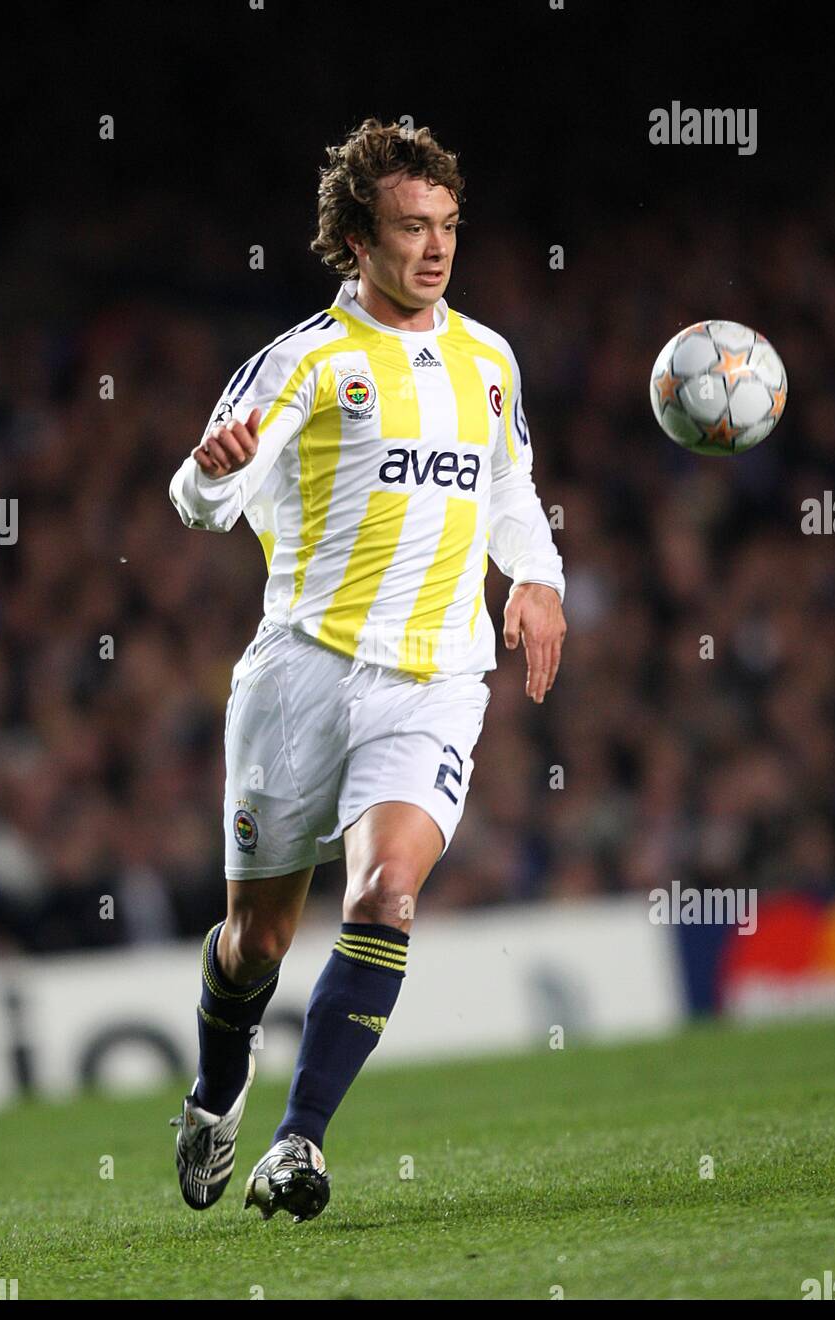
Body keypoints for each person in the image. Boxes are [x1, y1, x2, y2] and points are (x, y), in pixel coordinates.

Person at [167, 117, 566, 1223]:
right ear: (355, 237)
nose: (435, 248)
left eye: (446, 225)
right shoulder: (304, 359)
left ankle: (298, 1141)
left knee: (386, 891)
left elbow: (508, 488)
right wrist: (208, 477)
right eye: (409, 228)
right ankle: (215, 1088)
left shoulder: (488, 360)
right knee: (257, 940)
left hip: (434, 676)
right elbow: (198, 499)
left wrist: (536, 576)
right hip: (300, 674)